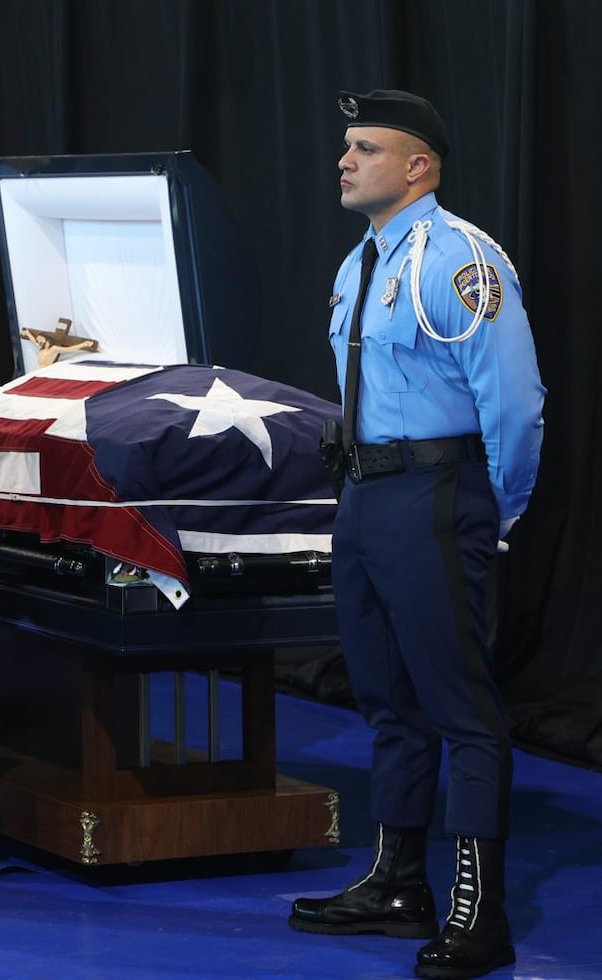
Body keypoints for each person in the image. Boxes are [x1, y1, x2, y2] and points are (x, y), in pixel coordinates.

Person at [288, 90, 545, 980]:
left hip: (435, 493)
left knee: (460, 707)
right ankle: (398, 885)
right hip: (364, 497)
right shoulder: (360, 261)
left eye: (365, 147)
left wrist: (493, 508)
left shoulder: (461, 258)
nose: (344, 160)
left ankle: (481, 913)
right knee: (387, 699)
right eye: (347, 145)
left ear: (418, 166)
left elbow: (515, 402)